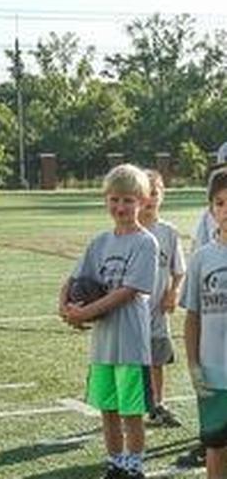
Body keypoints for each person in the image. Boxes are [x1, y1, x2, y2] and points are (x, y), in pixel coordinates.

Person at [60, 163, 159, 479]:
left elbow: (127, 292)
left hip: (130, 343)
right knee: (108, 409)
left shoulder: (146, 243)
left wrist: (85, 313)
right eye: (115, 199)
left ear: (143, 202)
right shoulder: (100, 242)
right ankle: (115, 461)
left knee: (131, 411)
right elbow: (75, 278)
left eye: (128, 200)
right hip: (102, 345)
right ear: (106, 200)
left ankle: (134, 464)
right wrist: (64, 307)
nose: (121, 207)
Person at [180, 168, 227, 479]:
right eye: (220, 203)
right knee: (216, 447)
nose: (226, 210)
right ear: (211, 209)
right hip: (213, 373)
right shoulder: (201, 258)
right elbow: (192, 317)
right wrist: (194, 364)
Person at [139, 169, 185, 428]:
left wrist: (174, 291)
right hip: (132, 311)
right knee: (132, 363)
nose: (150, 199)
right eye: (145, 193)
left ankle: (158, 404)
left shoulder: (168, 232)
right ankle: (132, 405)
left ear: (162, 196)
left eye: (154, 192)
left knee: (157, 361)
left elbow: (179, 270)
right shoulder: (130, 230)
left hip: (157, 310)